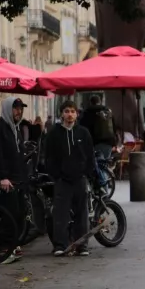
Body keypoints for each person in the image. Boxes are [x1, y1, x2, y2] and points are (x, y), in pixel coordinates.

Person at [45, 100, 96, 256]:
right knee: (60, 214)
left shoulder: (83, 132)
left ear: (77, 114)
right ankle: (60, 245)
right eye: (66, 111)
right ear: (62, 113)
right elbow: (48, 156)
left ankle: (82, 245)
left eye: (72, 111)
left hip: (79, 179)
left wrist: (87, 173)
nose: (70, 114)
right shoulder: (54, 133)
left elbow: (89, 155)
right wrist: (56, 175)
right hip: (62, 181)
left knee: (82, 213)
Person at [0, 97, 29, 261]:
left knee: (18, 214)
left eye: (20, 108)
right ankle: (2, 248)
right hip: (6, 180)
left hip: (18, 179)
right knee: (8, 215)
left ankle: (13, 245)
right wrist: (3, 177)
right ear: (7, 109)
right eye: (15, 108)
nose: (18, 111)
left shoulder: (15, 130)